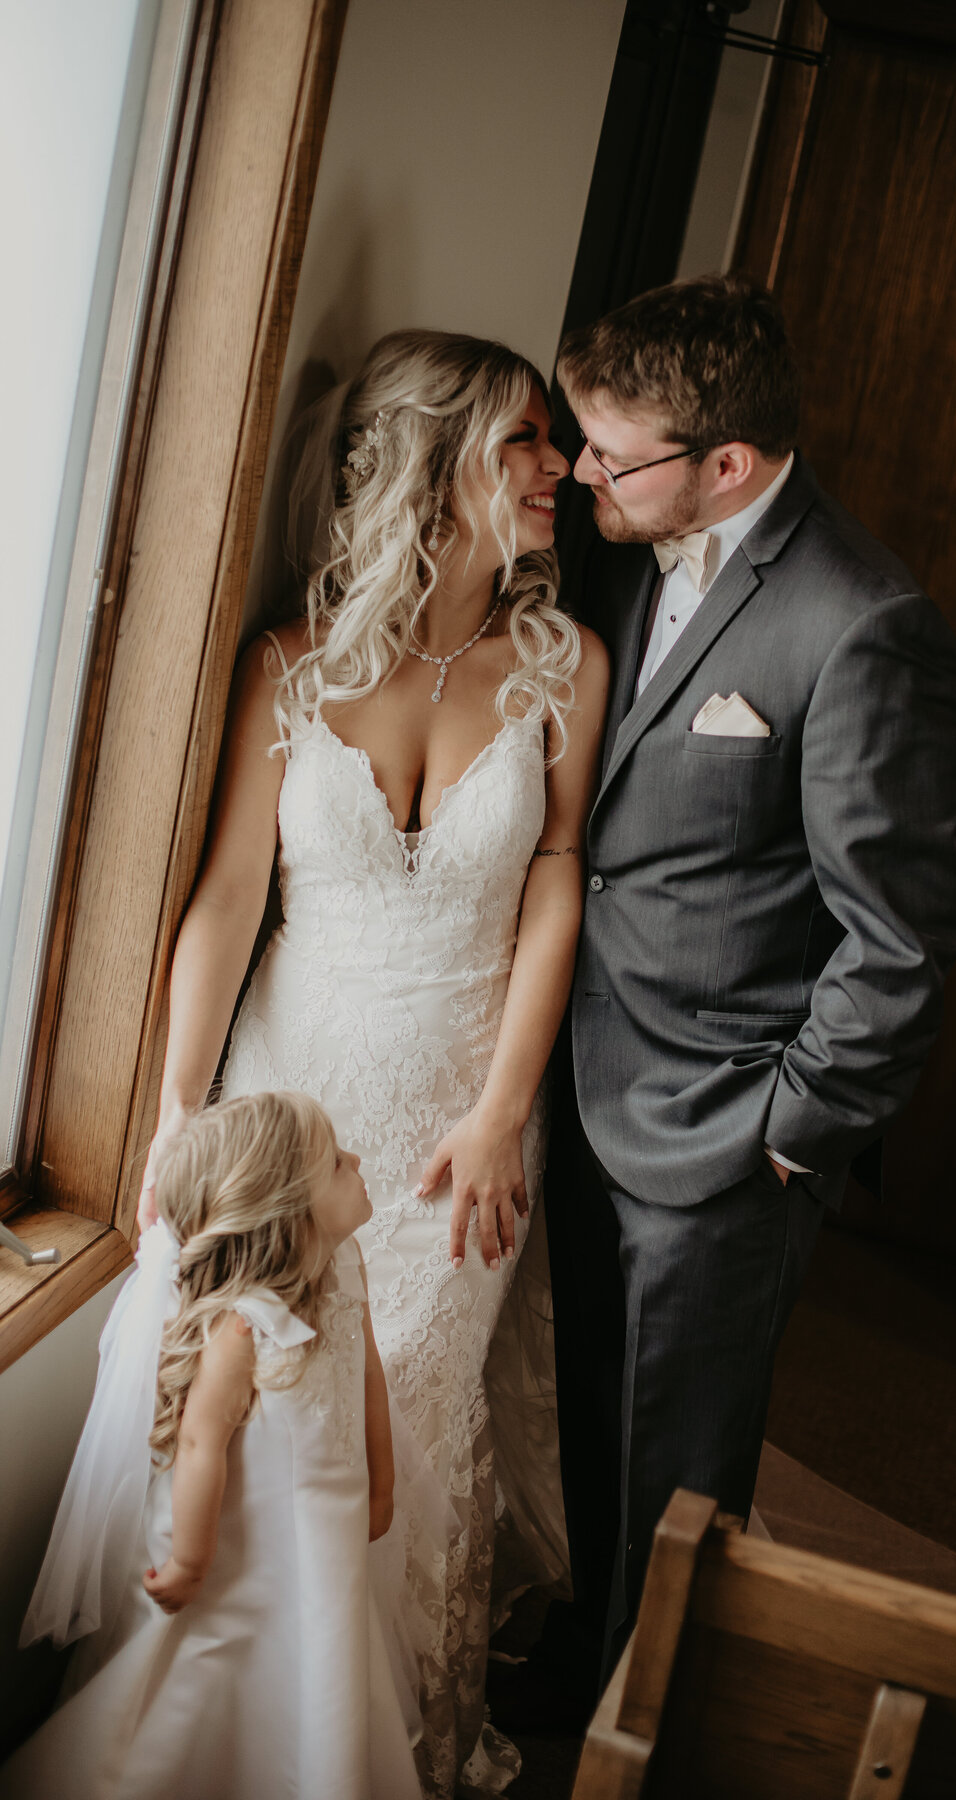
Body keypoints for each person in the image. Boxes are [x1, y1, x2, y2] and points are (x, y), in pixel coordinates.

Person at [136, 329, 608, 1797]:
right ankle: (232, 1732)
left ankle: (374, 1743)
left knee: (413, 1419)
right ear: (437, 462)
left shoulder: (566, 664)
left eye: (561, 444)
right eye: (527, 443)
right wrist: (177, 1112)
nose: (562, 470)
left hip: (454, 1131)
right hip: (296, 1102)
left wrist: (503, 1114)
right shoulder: (291, 659)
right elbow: (226, 896)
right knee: (263, 1405)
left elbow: (556, 876)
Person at [540, 273, 956, 1700]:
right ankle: (584, 1681)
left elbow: (899, 937)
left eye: (612, 451)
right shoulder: (614, 547)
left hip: (727, 1134)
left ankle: (637, 1744)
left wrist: (788, 1134)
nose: (581, 470)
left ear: (725, 466)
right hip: (582, 1090)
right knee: (589, 1419)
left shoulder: (861, 623)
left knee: (681, 1482)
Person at [4, 1091, 424, 1800]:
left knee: (327, 1655)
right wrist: (193, 1558)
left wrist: (383, 1485)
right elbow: (199, 1444)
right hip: (246, 1556)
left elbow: (369, 1380)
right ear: (283, 1210)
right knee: (225, 1667)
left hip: (329, 1534)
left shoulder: (344, 1274)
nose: (357, 1163)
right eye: (335, 1163)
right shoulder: (242, 1330)